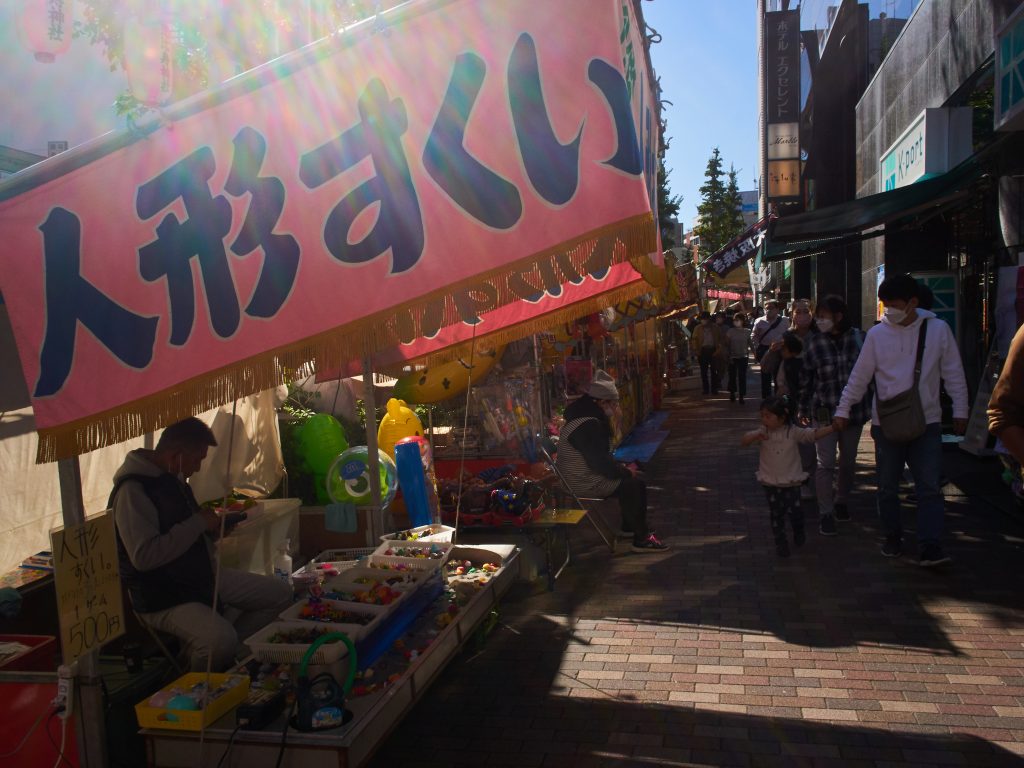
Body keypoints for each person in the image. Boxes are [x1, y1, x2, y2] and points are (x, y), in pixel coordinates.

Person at [112, 417, 293, 671]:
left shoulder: (173, 479)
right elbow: (144, 556)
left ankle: (233, 661)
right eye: (197, 459)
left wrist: (212, 532)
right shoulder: (133, 491)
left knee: (280, 594)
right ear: (177, 455)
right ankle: (195, 687)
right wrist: (198, 524)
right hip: (163, 596)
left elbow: (185, 533)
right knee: (218, 639)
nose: (197, 468)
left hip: (202, 577)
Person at [832, 274, 968, 566]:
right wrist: (843, 410)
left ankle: (930, 544)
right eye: (884, 304)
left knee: (929, 487)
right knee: (887, 487)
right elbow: (860, 377)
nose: (887, 310)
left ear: (913, 303)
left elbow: (953, 373)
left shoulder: (938, 330)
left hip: (927, 422)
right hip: (886, 424)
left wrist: (961, 410)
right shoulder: (878, 335)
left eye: (893, 304)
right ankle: (892, 535)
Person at [555, 371, 668, 553]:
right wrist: (623, 471)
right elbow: (599, 463)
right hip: (580, 481)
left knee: (632, 478)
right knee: (633, 485)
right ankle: (641, 537)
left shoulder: (585, 419)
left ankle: (631, 527)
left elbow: (599, 458)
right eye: (613, 403)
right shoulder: (588, 424)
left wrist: (622, 467)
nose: (614, 408)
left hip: (581, 475)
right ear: (600, 402)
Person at [799, 295, 871, 537]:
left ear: (839, 316)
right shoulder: (814, 343)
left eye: (823, 316)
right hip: (824, 412)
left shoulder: (860, 339)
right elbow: (806, 379)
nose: (819, 320)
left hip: (854, 413)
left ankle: (841, 500)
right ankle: (825, 512)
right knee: (825, 463)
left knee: (848, 462)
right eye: (817, 316)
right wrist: (802, 408)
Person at [741, 395, 836, 557]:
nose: (764, 419)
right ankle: (780, 542)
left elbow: (812, 434)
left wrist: (833, 428)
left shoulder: (793, 432)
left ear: (782, 417)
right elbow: (744, 441)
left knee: (796, 512)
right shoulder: (763, 431)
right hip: (771, 482)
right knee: (776, 514)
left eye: (768, 416)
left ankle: (799, 531)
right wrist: (755, 436)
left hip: (791, 482)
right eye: (762, 415)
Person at [752, 300, 791, 398]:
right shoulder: (759, 321)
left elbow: (791, 333)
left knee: (779, 375)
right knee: (765, 375)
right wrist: (757, 347)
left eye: (771, 308)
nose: (768, 310)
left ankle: (779, 398)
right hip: (765, 350)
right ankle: (766, 398)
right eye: (766, 308)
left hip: (780, 350)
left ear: (777, 309)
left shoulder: (785, 320)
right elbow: (754, 336)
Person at [691, 311, 724, 395]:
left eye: (705, 319)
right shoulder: (697, 328)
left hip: (713, 350)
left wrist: (719, 349)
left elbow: (720, 339)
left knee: (714, 371)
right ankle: (705, 389)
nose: (703, 321)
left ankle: (714, 389)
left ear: (709, 319)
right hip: (702, 351)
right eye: (702, 319)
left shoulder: (715, 328)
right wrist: (696, 350)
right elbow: (694, 340)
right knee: (703, 371)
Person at [726, 311, 752, 403]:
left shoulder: (747, 331)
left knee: (742, 376)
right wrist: (728, 356)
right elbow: (727, 344)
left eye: (738, 320)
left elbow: (751, 344)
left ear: (742, 321)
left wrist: (755, 355)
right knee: (732, 376)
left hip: (743, 357)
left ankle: (741, 395)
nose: (736, 322)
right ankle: (732, 393)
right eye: (734, 320)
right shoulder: (730, 331)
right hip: (732, 357)